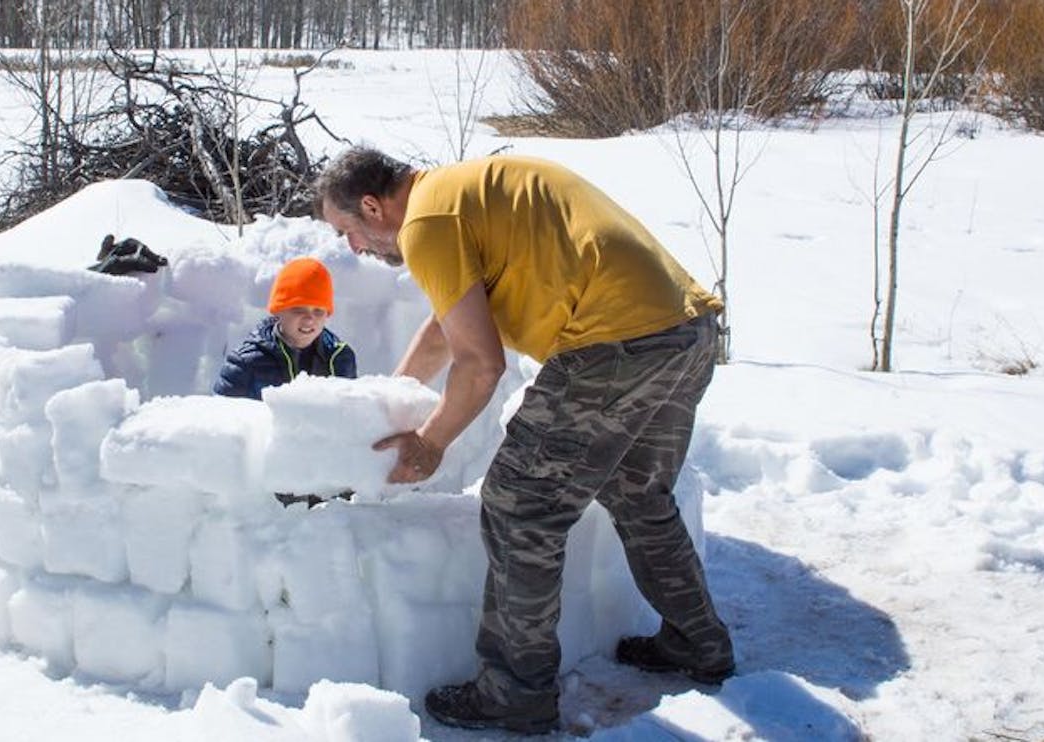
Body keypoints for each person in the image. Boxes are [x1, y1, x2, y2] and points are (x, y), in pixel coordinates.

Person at [314, 148, 734, 734]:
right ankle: (698, 643)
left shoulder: (428, 224)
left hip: (613, 344)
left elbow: (479, 365)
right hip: (684, 332)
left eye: (348, 232)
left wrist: (430, 443)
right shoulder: (456, 195)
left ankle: (515, 692)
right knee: (637, 493)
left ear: (371, 206)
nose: (354, 248)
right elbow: (445, 328)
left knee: (520, 505)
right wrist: (387, 398)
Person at [212, 256, 357, 401]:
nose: (309, 319)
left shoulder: (340, 357)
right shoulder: (246, 362)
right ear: (279, 310)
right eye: (299, 310)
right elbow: (223, 417)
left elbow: (350, 415)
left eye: (318, 311)